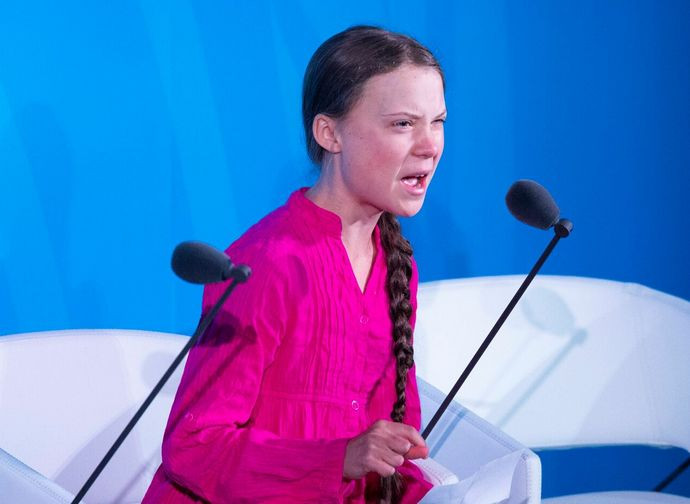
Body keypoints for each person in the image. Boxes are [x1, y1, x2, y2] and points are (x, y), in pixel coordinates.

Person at [143, 25, 446, 503]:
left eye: (438, 122)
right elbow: (192, 446)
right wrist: (339, 458)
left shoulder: (397, 267)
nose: (430, 145)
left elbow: (388, 452)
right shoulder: (266, 264)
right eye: (403, 124)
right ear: (330, 133)